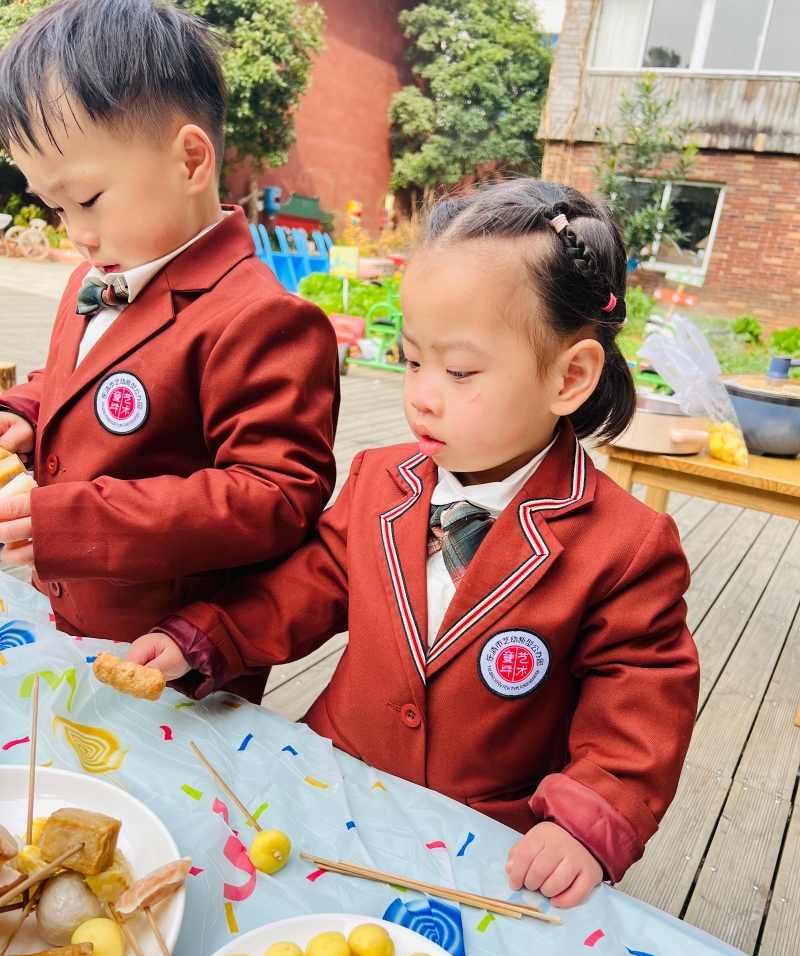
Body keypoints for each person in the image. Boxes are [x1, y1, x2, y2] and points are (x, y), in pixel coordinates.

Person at [128, 180, 700, 907]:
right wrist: (206, 637)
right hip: (333, 780)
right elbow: (308, 583)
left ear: (570, 377)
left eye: (458, 371)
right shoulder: (379, 479)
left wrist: (586, 823)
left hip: (487, 836)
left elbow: (641, 699)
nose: (423, 394)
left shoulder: (626, 546)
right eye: (410, 359)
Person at [0, 0, 339, 703]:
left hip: (173, 665)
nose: (75, 233)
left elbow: (276, 495)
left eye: (88, 198)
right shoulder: (95, 278)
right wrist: (26, 413)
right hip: (68, 622)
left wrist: (77, 522)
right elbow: (72, 377)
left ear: (190, 159)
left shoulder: (262, 318)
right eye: (56, 208)